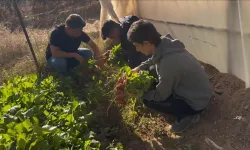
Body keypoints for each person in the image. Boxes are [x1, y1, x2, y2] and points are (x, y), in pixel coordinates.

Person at [127, 20, 212, 133]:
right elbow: (154, 58)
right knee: (152, 71)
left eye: (137, 46)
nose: (137, 49)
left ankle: (189, 115)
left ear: (146, 43)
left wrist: (141, 94)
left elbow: (161, 95)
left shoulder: (168, 63)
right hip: (201, 91)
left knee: (148, 100)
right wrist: (139, 68)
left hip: (197, 102)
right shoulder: (165, 43)